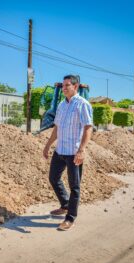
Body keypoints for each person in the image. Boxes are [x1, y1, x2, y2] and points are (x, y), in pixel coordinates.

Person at [43, 75, 93, 231]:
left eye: (67, 85)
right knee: (53, 178)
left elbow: (88, 128)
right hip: (60, 150)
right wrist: (47, 145)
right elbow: (56, 128)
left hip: (74, 152)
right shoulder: (61, 106)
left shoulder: (82, 104)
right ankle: (65, 205)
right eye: (63, 86)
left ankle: (70, 218)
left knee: (74, 186)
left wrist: (82, 150)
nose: (64, 88)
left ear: (75, 87)